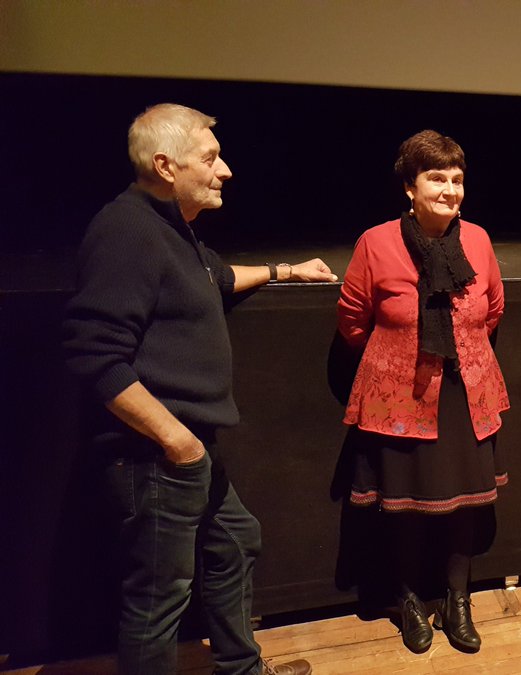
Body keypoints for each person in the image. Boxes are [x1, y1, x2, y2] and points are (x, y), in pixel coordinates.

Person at [62, 103, 336, 674]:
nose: (225, 169)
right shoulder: (126, 231)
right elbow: (94, 355)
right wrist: (177, 442)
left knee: (236, 541)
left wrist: (287, 271)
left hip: (187, 452)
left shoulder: (170, 229)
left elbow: (217, 277)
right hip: (154, 454)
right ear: (165, 165)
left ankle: (240, 667)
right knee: (158, 598)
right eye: (210, 158)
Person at [335, 130, 508, 654]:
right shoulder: (376, 242)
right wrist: (399, 353)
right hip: (399, 398)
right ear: (410, 186)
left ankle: (458, 601)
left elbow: (494, 306)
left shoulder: (476, 239)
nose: (450, 189)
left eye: (457, 179)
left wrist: (462, 350)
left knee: (463, 509)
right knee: (404, 506)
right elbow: (352, 319)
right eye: (437, 178)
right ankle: (408, 599)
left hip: (463, 395)